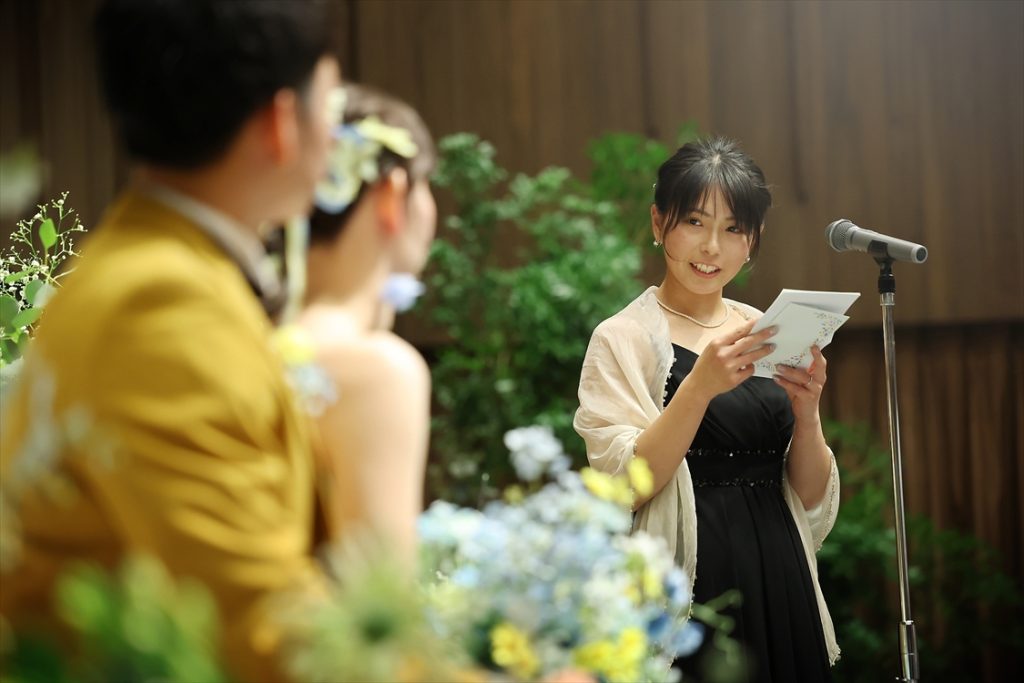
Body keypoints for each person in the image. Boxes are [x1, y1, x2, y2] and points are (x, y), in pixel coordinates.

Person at [0, 1, 340, 680]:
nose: (336, 137)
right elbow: (257, 623)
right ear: (281, 124)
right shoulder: (164, 304)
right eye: (330, 107)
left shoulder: (143, 265)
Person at [573, 137, 840, 681]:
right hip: (690, 581)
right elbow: (624, 486)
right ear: (658, 222)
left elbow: (809, 497)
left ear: (753, 241)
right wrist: (698, 388)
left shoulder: (766, 328)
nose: (712, 246)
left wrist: (808, 412)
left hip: (780, 570)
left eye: (733, 229)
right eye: (694, 222)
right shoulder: (623, 337)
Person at [296, 84, 437, 568]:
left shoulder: (247, 336)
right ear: (392, 195)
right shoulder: (376, 371)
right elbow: (381, 602)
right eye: (427, 184)